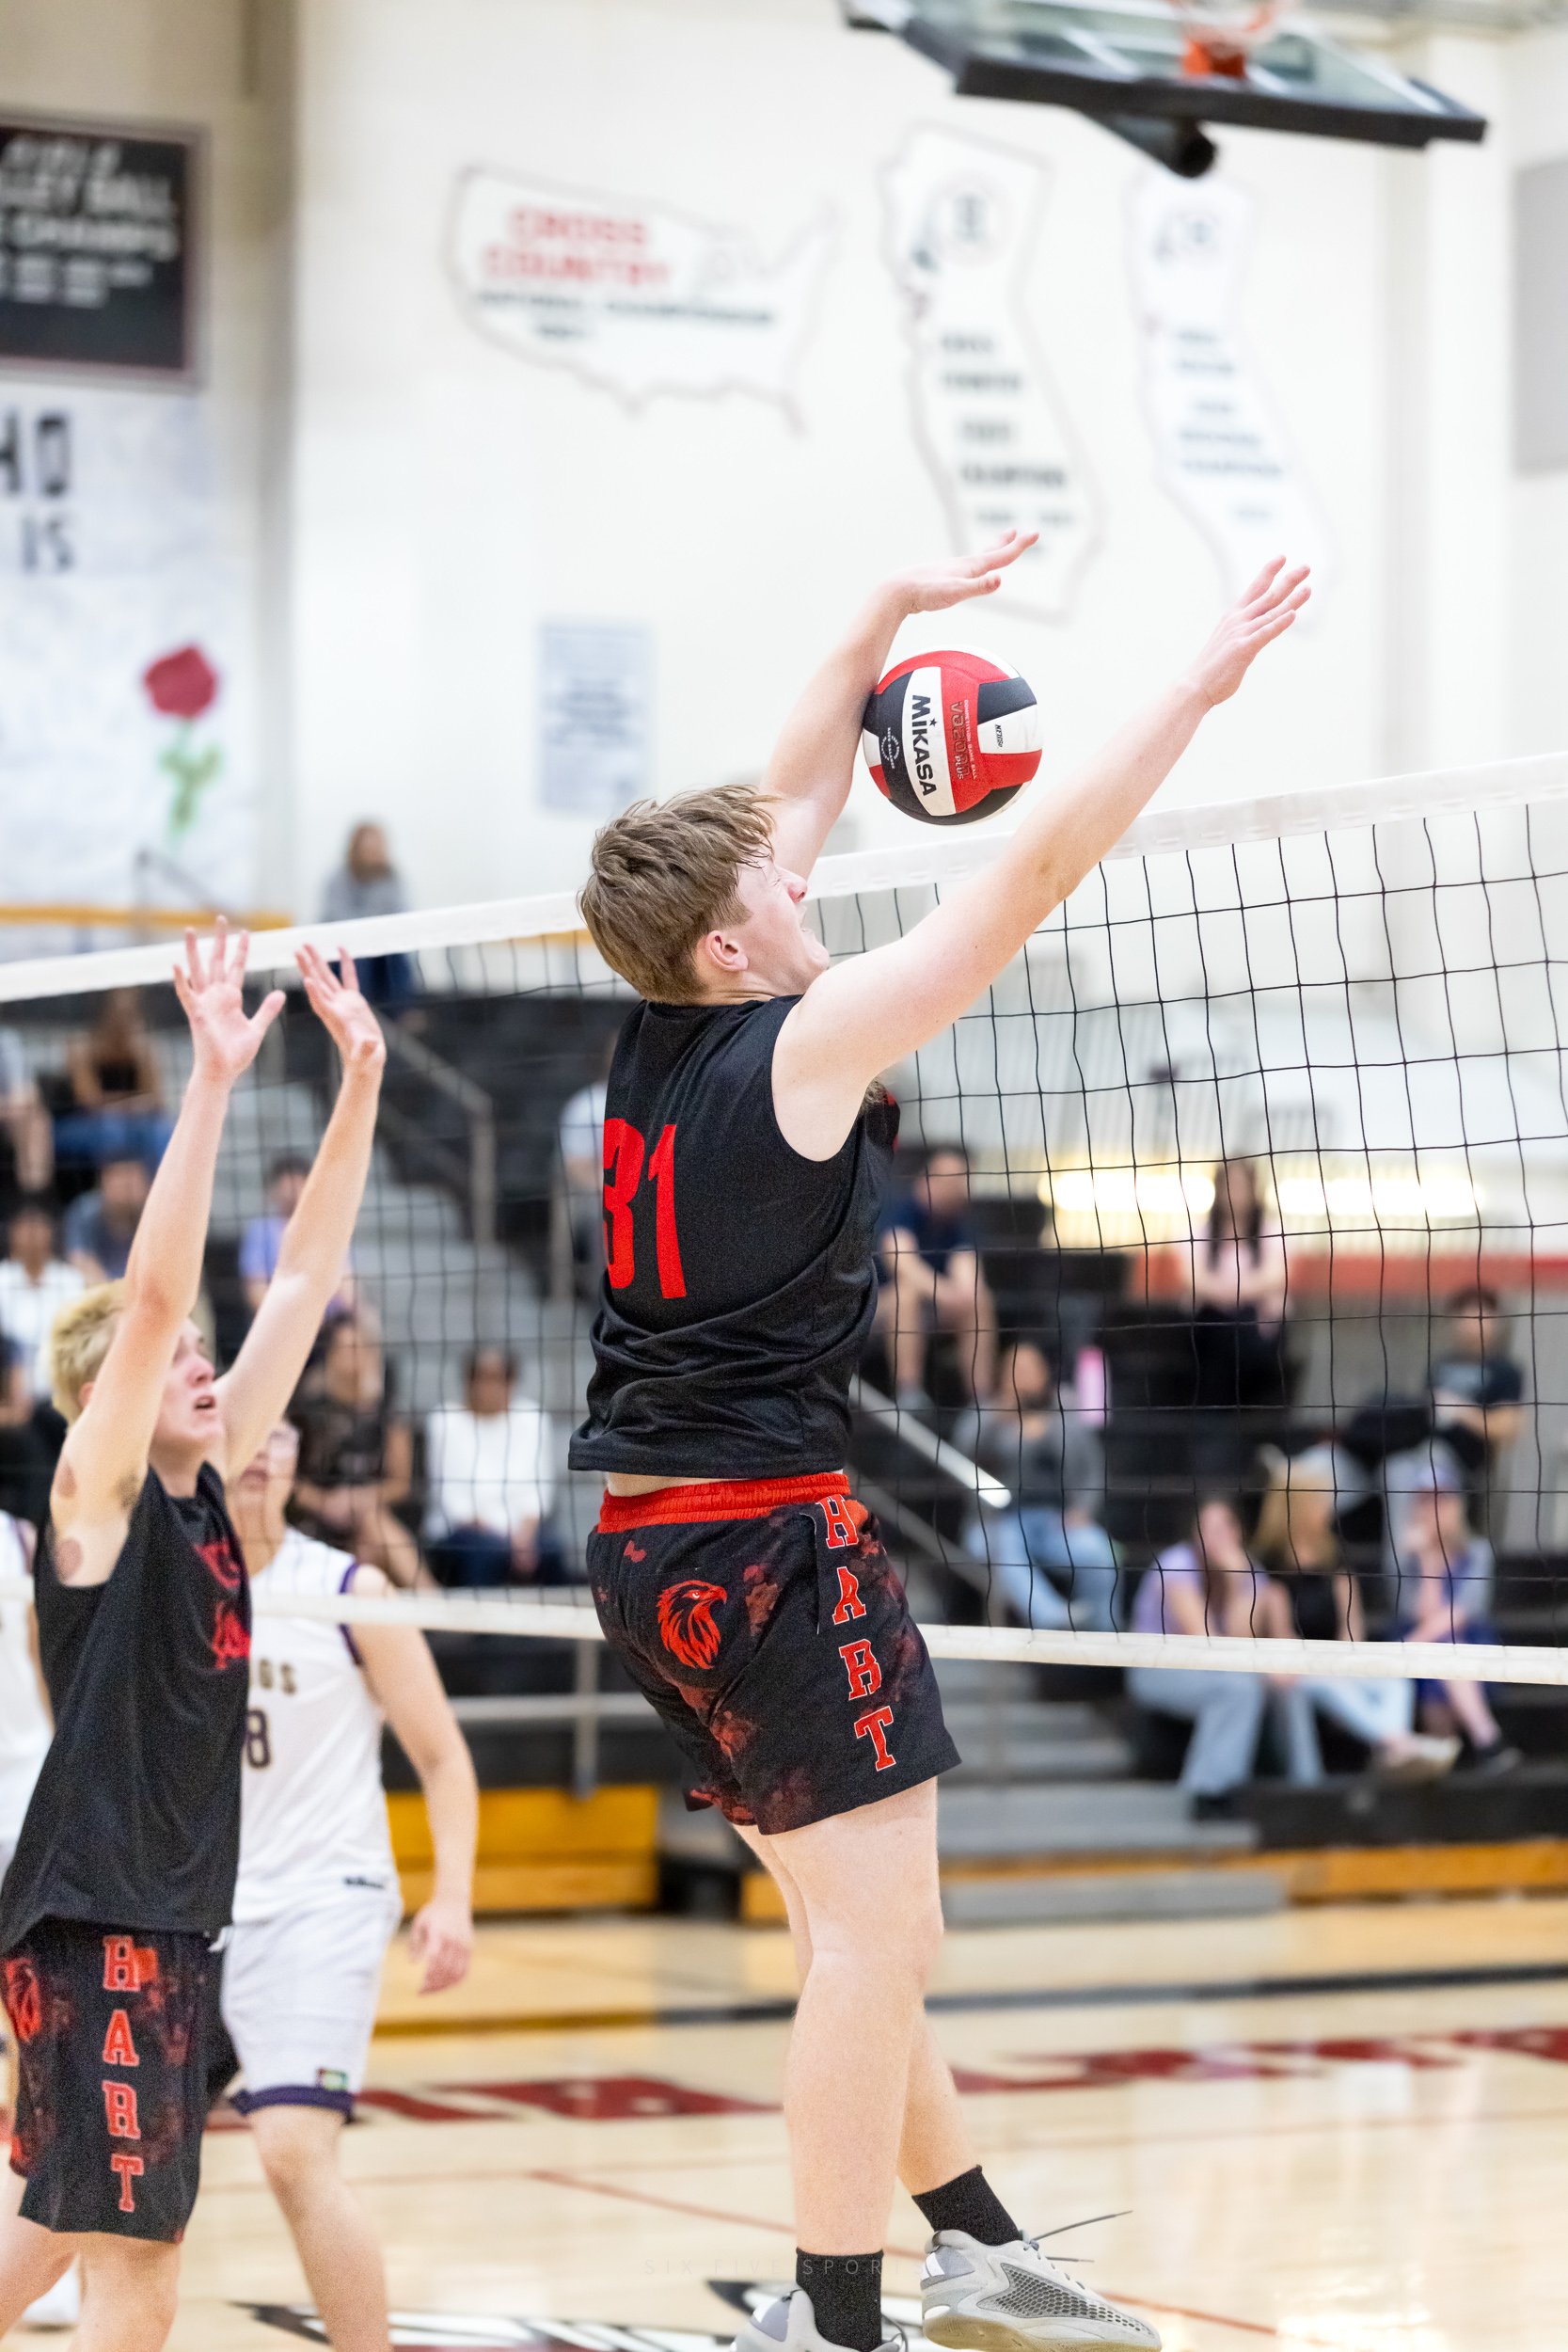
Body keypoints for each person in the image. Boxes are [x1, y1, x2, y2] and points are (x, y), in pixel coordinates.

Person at [571, 529, 1307, 2352]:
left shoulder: (660, 1028)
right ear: (732, 937)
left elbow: (792, 785)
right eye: (778, 878)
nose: (803, 868)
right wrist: (1193, 683)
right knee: (875, 1946)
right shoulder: (802, 1042)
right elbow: (1028, 873)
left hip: (652, 1549)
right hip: (762, 1540)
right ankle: (832, 2318)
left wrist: (876, 615)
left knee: (856, 1931)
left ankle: (976, 2245)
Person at [0, 926, 386, 2348]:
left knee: (57, 2224)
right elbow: (156, 1294)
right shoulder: (92, 1496)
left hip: (162, 1916)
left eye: (202, 1358)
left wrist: (360, 1081)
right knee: (137, 2260)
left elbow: (305, 1276)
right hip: (99, 1912)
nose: (204, 1363)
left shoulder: (208, 1486)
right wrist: (214, 1079)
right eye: (173, 1364)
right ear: (109, 1392)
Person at [219, 1417, 477, 2352]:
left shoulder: (346, 1589)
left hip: (324, 1897)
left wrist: (451, 1896)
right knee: (115, 2159)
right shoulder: (168, 1585)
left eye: (281, 1433)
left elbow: (442, 1757)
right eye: (246, 1426)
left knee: (292, 2151)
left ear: (300, 1458)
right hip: (195, 1907)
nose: (262, 1448)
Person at [1253, 1458, 1457, 1785]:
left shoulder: (1334, 1558)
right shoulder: (1270, 1566)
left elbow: (1351, 1631)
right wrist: (1322, 1668)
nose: (1327, 1508)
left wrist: (1343, 1664)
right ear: (1298, 1507)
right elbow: (1283, 1642)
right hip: (1295, 1671)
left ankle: (1393, 1750)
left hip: (1335, 1663)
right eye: (1319, 1500)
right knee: (1324, 1685)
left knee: (1395, 1682)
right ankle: (1401, 1745)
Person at [1127, 1493, 1312, 1817]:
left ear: (1237, 1531)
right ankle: (1208, 1792)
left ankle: (1307, 1789)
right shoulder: (1176, 1564)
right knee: (1238, 1690)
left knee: (1288, 1687)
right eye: (1207, 1528)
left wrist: (1238, 1581)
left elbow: (1242, 1639)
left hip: (1217, 1667)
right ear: (1195, 1533)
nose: (1216, 1536)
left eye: (1223, 1527)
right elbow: (1205, 1642)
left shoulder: (1247, 1569)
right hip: (1158, 1667)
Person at [959, 1341, 1117, 1631]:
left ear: (1044, 1373)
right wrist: (1003, 1418)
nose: (1022, 1375)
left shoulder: (1066, 1409)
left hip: (1056, 1521)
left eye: (1029, 1368)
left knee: (1098, 1551)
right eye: (1014, 1368)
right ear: (1001, 1373)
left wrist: (1083, 1509)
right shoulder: (986, 1413)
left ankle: (1103, 1630)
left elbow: (1093, 1468)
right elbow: (962, 1453)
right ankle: (1051, 1618)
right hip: (999, 1521)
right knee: (997, 1545)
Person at [1393, 1454, 1520, 1773]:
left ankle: (1449, 1749)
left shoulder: (1477, 1552)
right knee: (1441, 1654)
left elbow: (1463, 1612)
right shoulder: (1406, 1557)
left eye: (1442, 1499)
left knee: (1448, 1647)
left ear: (1457, 1505)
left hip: (1464, 1642)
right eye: (1425, 1500)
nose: (1434, 1508)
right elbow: (1419, 1613)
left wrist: (1414, 1643)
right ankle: (1486, 1742)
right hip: (1425, 1646)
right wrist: (1428, 1558)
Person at [290, 1305, 422, 1588]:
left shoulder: (390, 1410)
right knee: (373, 1532)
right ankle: (430, 1599)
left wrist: (359, 1499)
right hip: (314, 1519)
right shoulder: (305, 1409)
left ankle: (422, 1598)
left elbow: (401, 1484)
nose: (357, 1356)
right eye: (348, 1349)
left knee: (372, 1529)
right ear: (330, 1354)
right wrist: (324, 1502)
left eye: (364, 1348)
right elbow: (287, 1481)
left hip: (371, 1516)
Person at [424, 1347, 562, 1586]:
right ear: (468, 1381)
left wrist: (523, 1537)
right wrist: (507, 1540)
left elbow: (540, 1495)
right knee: (485, 1551)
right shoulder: (445, 1420)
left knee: (553, 1549)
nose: (490, 1387)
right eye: (482, 1377)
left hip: (524, 1534)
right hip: (462, 1533)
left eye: (499, 1378)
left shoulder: (533, 1419)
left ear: (512, 1382)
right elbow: (453, 1503)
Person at [878, 1144, 998, 1408]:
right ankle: (908, 1393)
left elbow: (967, 1272)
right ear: (927, 1179)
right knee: (906, 1293)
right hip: (875, 1308)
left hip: (933, 1308)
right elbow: (902, 1264)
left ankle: (980, 1401)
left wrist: (965, 1294)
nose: (954, 1187)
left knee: (980, 1301)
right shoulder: (901, 1208)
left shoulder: (960, 1222)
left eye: (961, 1180)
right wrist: (946, 1293)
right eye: (948, 1179)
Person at [1185, 1157, 1289, 1442]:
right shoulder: (1199, 1233)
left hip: (1259, 1338)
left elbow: (1276, 1276)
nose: (1235, 1193)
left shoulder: (1272, 1230)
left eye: (1241, 1185)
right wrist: (1232, 1294)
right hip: (1212, 1334)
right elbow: (1193, 1278)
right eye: (1228, 1185)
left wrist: (1231, 1293)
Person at [1427, 1282, 1526, 1534]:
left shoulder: (1505, 1371)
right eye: (1466, 1315)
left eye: (1480, 1315)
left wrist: (1460, 1410)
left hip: (1469, 1468)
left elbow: (1508, 1427)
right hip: (1424, 1458)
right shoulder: (1440, 1366)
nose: (1473, 1323)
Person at [55, 989, 174, 1172]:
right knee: (112, 1128)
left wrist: (142, 1056)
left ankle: (163, 1187)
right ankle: (116, 1188)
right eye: (119, 1012)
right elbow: (90, 1103)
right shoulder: (81, 1046)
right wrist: (134, 1104)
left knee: (161, 1129)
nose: (124, 1019)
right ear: (104, 1012)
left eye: (130, 1012)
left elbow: (157, 1102)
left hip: (131, 1122)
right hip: (77, 1126)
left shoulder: (144, 1047)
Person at [241, 1152, 356, 1318]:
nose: (294, 1188)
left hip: (327, 1318)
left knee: (357, 1326)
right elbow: (255, 1288)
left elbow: (346, 1291)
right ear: (274, 1189)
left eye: (300, 1180)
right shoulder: (261, 1230)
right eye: (288, 1181)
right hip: (280, 1318)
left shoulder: (326, 1230)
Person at [322, 821, 415, 1012]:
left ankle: (400, 1013)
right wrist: (367, 929)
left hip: (383, 945)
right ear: (357, 848)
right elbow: (337, 915)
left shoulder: (392, 876)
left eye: (376, 847)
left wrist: (377, 931)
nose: (372, 852)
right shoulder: (338, 878)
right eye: (367, 848)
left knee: (397, 958)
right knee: (359, 959)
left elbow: (399, 912)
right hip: (346, 946)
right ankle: (359, 1010)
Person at [0, 1200, 85, 1401]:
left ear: (51, 1232)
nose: (32, 1234)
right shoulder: (2, 1278)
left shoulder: (70, 1278)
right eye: (24, 1226)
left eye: (39, 1226)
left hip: (60, 1390)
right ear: (12, 1233)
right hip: (8, 1388)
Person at [62, 1154, 150, 1283]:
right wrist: (112, 1289)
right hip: (101, 1289)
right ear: (104, 1181)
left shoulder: (154, 1213)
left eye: (133, 1181)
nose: (127, 1189)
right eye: (121, 1180)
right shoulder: (84, 1212)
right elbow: (80, 1260)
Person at [0, 1028, 52, 1200]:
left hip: (9, 1119)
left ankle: (32, 1203)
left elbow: (27, 1096)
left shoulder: (6, 1041)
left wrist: (11, 1106)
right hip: (8, 1111)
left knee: (36, 1120)